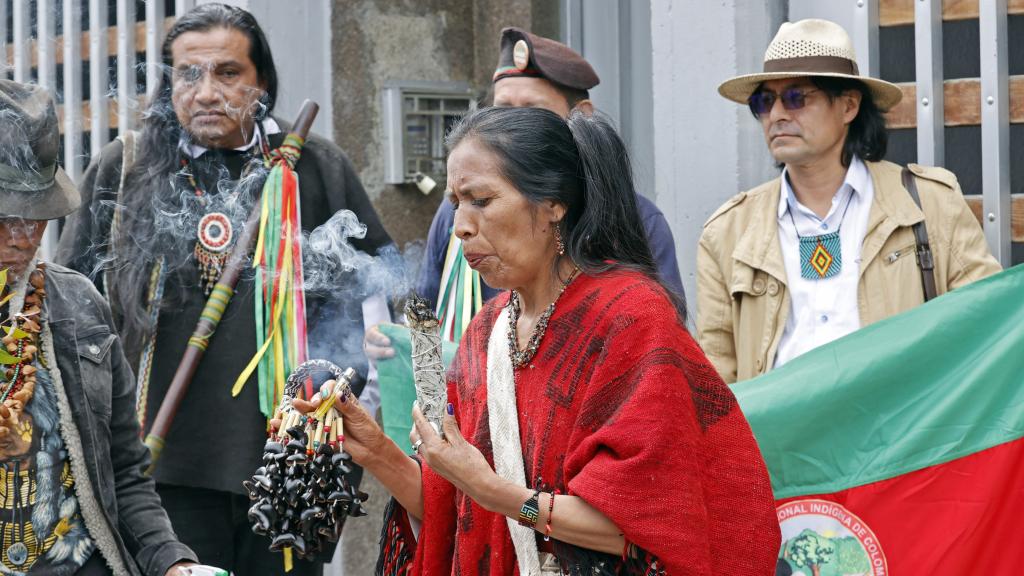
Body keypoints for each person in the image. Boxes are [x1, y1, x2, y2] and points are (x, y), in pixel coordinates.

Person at [296, 106, 781, 574]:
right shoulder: (485, 332)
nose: (461, 226)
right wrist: (375, 449)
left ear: (553, 204)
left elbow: (639, 529)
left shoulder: (632, 318)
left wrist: (493, 491)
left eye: (481, 201)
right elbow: (454, 511)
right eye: (455, 204)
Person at [56, 4, 391, 575]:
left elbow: (379, 297)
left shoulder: (314, 166)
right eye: (189, 73)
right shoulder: (123, 168)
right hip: (158, 472)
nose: (206, 91)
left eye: (228, 73)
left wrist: (364, 384)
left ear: (261, 82)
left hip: (295, 463)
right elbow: (71, 304)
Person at [698, 18, 1000, 384]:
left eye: (796, 97)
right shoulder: (727, 233)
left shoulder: (929, 203)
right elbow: (713, 383)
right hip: (778, 438)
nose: (777, 115)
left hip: (899, 433)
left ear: (848, 106)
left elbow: (989, 326)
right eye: (764, 101)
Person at [364, 27, 684, 361]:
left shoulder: (634, 227)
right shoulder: (486, 319)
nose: (464, 225)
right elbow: (427, 321)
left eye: (532, 111)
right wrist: (398, 344)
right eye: (502, 110)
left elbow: (659, 355)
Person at [0, 80, 198, 576]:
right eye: (3, 217)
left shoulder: (78, 303)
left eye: (34, 216)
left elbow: (124, 472)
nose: (22, 238)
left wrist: (171, 562)